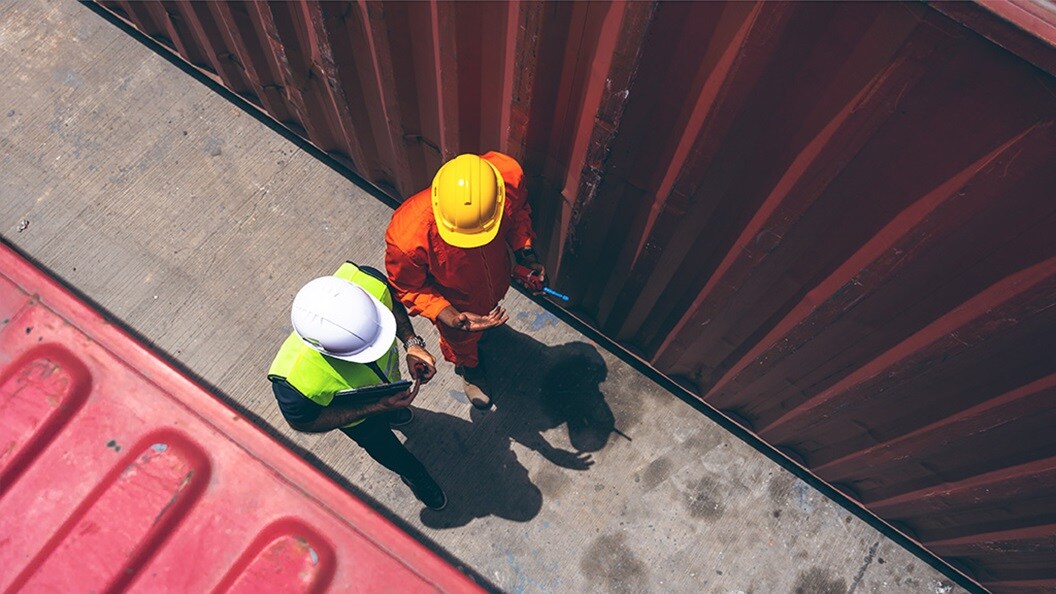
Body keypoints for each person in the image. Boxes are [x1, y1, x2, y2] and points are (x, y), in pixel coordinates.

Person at [267, 261, 447, 510]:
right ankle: (415, 475)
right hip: (361, 420)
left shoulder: (368, 281)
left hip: (392, 386)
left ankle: (394, 412)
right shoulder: (293, 382)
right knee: (387, 449)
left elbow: (392, 303)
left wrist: (412, 343)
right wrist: (375, 408)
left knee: (395, 407)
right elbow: (304, 421)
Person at [385, 152, 544, 409]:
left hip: (495, 280)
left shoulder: (508, 178)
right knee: (461, 341)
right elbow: (407, 286)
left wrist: (525, 253)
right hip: (455, 303)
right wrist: (447, 314)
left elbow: (518, 215)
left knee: (484, 323)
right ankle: (470, 367)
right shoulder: (407, 237)